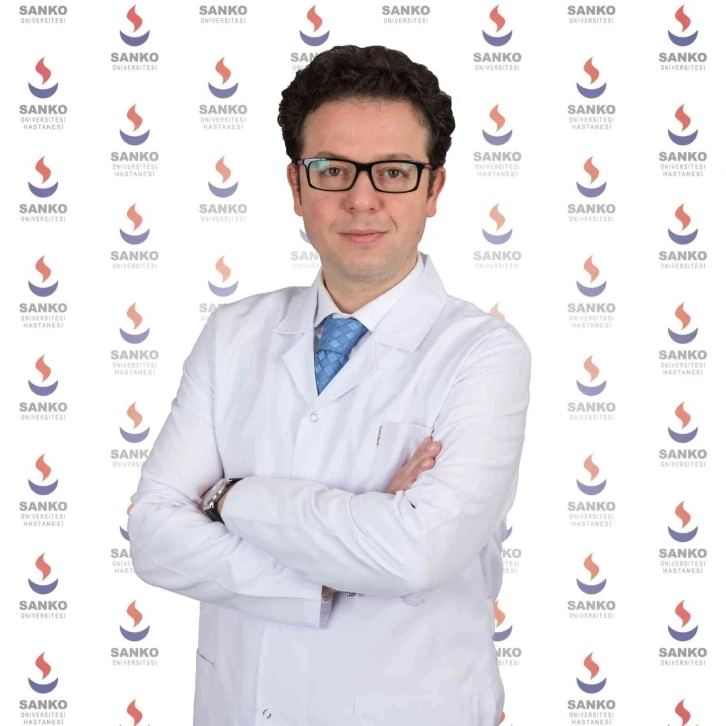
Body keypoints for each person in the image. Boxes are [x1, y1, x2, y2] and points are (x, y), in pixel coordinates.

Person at [128, 44, 531, 726]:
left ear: (434, 189)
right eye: (332, 169)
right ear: (296, 186)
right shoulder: (232, 334)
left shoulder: (484, 353)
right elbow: (152, 535)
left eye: (394, 172)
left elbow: (415, 552)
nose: (361, 199)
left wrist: (229, 497)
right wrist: (334, 564)